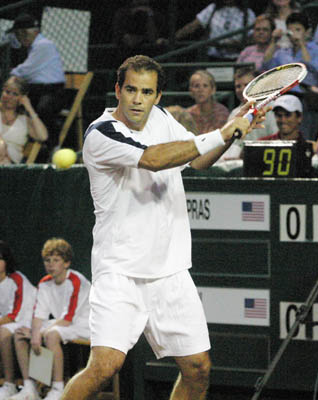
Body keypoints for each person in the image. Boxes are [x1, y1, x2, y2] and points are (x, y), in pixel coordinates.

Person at [60, 55, 267, 400]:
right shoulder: (102, 133)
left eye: (146, 92)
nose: (138, 99)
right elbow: (154, 159)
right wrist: (223, 130)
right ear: (118, 90)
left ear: (157, 96)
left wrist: (231, 135)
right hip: (120, 272)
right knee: (104, 367)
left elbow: (199, 159)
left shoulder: (162, 117)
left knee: (198, 369)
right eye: (131, 90)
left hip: (169, 271)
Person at [12, 238, 91, 400]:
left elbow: (68, 319)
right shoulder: (44, 283)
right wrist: (34, 334)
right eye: (47, 260)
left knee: (50, 334)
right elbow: (39, 316)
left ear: (66, 263)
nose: (50, 264)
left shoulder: (76, 281)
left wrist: (39, 334)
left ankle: (58, 388)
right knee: (21, 333)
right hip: (63, 324)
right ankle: (29, 387)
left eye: (56, 260)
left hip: (85, 325)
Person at [262, 12, 318, 140]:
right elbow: (266, 65)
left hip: (306, 96)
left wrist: (302, 44)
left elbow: (314, 69)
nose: (294, 33)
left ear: (307, 32)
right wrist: (274, 42)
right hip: (284, 95)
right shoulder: (283, 52)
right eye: (291, 30)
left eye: (298, 30)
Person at [7, 13, 66, 154]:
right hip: (36, 90)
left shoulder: (43, 45)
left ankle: (52, 145)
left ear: (24, 33)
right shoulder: (33, 47)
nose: (17, 38)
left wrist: (9, 75)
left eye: (18, 34)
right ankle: (16, 142)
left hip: (54, 91)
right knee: (14, 104)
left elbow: (26, 70)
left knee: (43, 108)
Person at [216, 67, 278, 162]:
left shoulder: (271, 109)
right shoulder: (234, 114)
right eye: (238, 86)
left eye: (246, 85)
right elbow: (231, 146)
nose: (242, 90)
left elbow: (277, 140)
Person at [0, 240, 36, 400]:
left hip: (28, 321)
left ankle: (23, 387)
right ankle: (9, 385)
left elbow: (15, 314)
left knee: (6, 332)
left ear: (6, 261)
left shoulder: (17, 279)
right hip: (8, 323)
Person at [171, 0, 256, 60]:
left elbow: (254, 36)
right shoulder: (212, 9)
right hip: (213, 56)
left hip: (237, 57)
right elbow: (193, 26)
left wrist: (239, 43)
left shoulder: (247, 13)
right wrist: (173, 38)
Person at [0, 76, 48, 164]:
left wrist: (29, 108)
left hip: (10, 166)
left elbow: (43, 136)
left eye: (15, 94)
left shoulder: (24, 120)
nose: (10, 97)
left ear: (21, 98)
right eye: (7, 92)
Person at [111, 0, 162, 67]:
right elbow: (130, 41)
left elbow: (153, 39)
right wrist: (143, 38)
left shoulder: (153, 14)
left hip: (148, 58)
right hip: (126, 58)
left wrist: (149, 15)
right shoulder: (123, 13)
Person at [186, 69, 229, 134]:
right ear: (191, 90)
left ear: (213, 89)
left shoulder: (221, 112)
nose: (201, 90)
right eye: (196, 86)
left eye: (205, 86)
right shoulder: (188, 114)